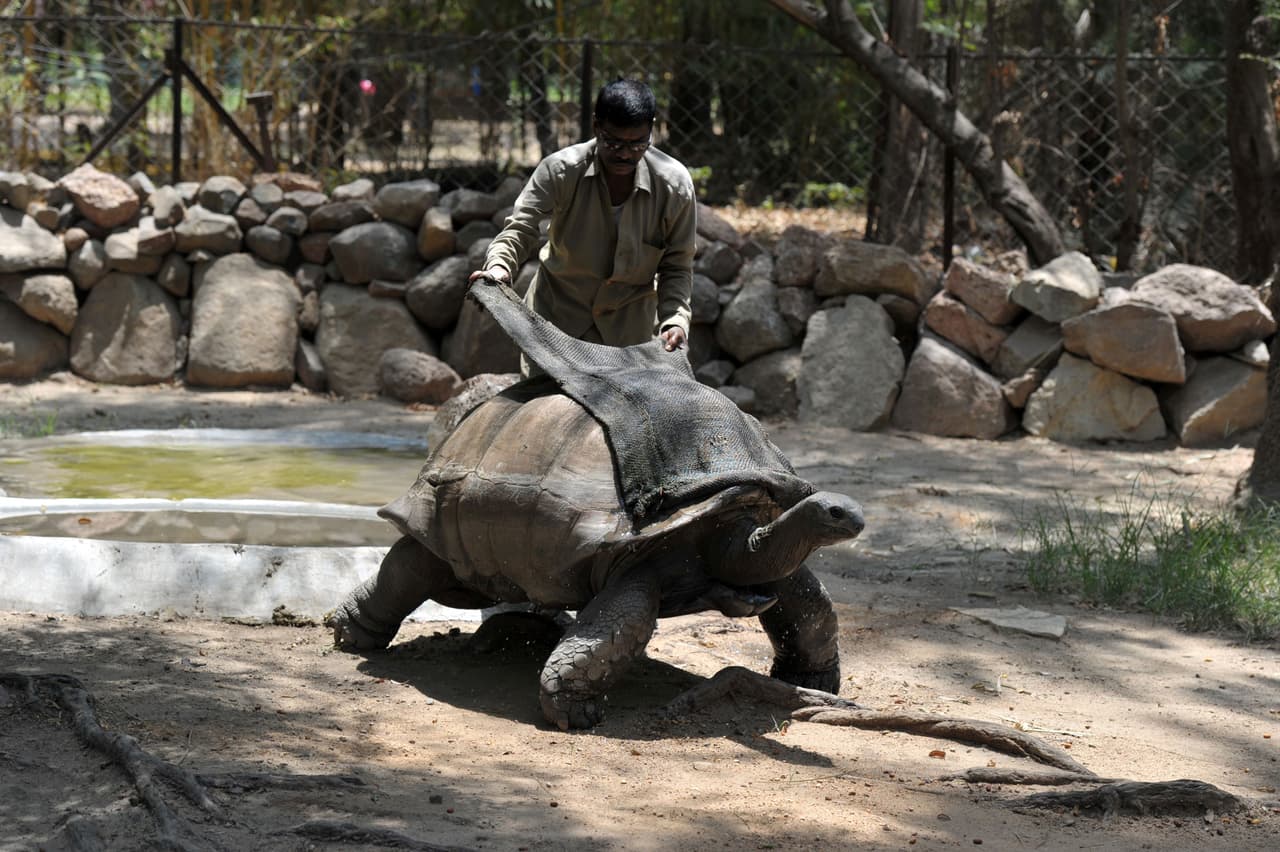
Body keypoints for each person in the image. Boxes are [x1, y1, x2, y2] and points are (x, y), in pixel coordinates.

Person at [470, 78, 696, 372]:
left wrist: (675, 320)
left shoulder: (674, 185)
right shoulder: (561, 170)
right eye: (613, 142)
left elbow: (677, 265)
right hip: (555, 327)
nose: (625, 154)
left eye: (637, 143)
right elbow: (520, 227)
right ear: (595, 126)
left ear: (652, 128)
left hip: (629, 340)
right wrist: (499, 267)